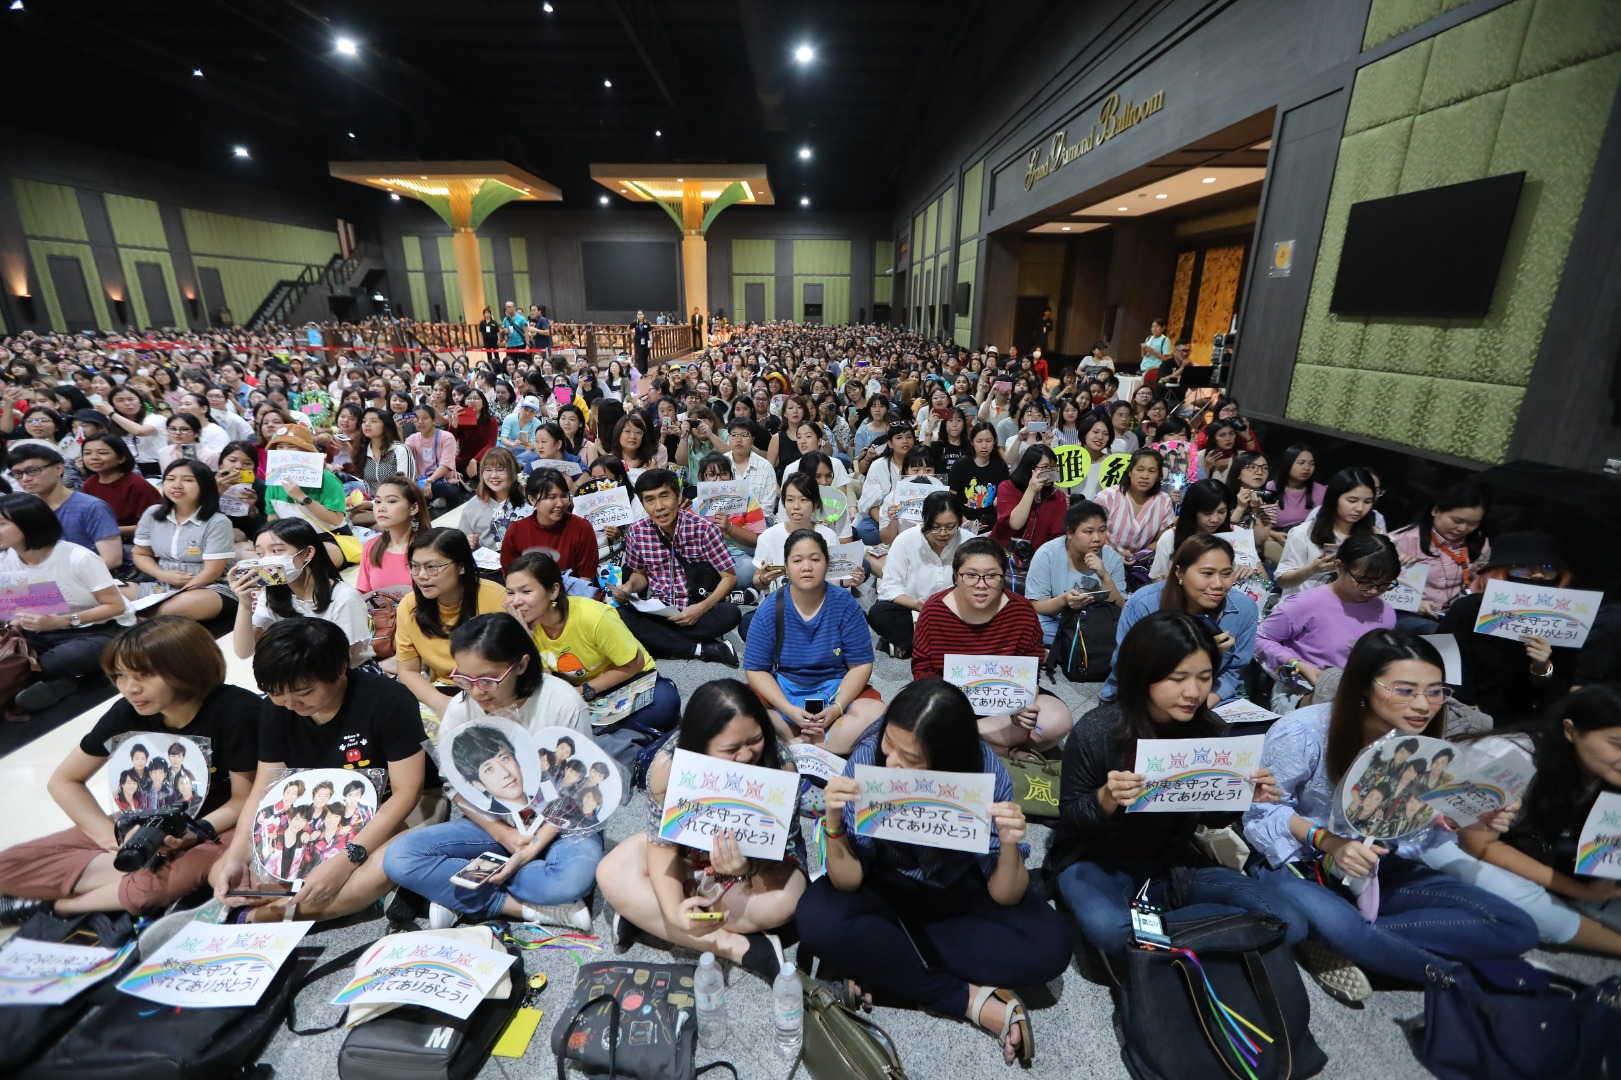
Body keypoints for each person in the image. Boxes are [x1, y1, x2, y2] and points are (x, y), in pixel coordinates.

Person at [1242, 631, 1538, 1001]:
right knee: (1340, 922)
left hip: (1374, 867)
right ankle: (1463, 978)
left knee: (1518, 927)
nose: (1424, 704)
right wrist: (1330, 843)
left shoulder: (1425, 748)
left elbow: (1413, 833)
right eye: (1405, 690)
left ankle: (1351, 940)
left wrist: (1467, 820)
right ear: (1363, 686)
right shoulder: (1304, 730)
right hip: (1294, 861)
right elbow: (1261, 812)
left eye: (1435, 691)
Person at [801, 679, 1071, 1066]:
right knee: (816, 919)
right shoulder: (866, 760)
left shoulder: (985, 771)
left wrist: (1010, 843)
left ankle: (883, 966)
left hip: (957, 892)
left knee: (1052, 946)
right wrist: (832, 821)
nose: (891, 762)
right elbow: (849, 880)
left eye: (909, 759)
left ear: (948, 760)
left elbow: (1005, 894)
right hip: (881, 889)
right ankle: (969, 999)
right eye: (889, 745)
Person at [1048, 612, 1304, 954]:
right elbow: (1071, 819)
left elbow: (1212, 820)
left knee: (1291, 921)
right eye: (1177, 677)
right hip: (1096, 861)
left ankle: (1153, 936)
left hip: (1171, 862)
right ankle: (1209, 930)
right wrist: (1106, 797)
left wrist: (1240, 794)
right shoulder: (1098, 731)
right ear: (1143, 675)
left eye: (1204, 677)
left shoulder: (1209, 730)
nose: (1193, 692)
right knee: (1109, 929)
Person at [0, 618, 257, 920]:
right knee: (7, 865)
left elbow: (243, 800)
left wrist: (192, 833)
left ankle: (56, 906)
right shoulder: (128, 710)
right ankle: (125, 879)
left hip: (221, 825)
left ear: (188, 666)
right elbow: (65, 781)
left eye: (145, 675)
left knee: (155, 888)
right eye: (120, 675)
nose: (130, 688)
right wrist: (114, 839)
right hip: (148, 818)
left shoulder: (238, 710)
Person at [383, 613, 598, 932]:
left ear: (522, 665)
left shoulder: (562, 702)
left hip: (561, 821)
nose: (477, 691)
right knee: (399, 857)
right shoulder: (461, 707)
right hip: (496, 825)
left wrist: (530, 848)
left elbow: (574, 790)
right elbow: (456, 786)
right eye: (464, 679)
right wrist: (504, 835)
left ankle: (458, 892)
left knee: (571, 879)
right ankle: (517, 907)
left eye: (488, 679)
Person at [211, 618, 429, 923]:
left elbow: (407, 792)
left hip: (385, 808)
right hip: (317, 814)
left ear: (340, 667)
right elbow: (264, 789)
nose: (290, 703)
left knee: (388, 865)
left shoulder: (388, 701)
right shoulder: (277, 709)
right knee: (222, 872)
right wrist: (237, 856)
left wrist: (347, 859)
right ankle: (295, 905)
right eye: (276, 693)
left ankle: (258, 916)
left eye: (303, 691)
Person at [595, 679, 805, 977]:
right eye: (731, 748)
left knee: (788, 898)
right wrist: (673, 913)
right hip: (688, 856)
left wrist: (746, 867)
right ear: (700, 744)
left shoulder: (781, 767)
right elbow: (660, 844)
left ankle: (646, 918)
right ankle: (735, 947)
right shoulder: (667, 765)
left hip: (750, 872)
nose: (746, 755)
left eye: (755, 739)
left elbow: (781, 854)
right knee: (610, 872)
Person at [1436, 685, 1621, 955]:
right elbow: (1481, 847)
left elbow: (1603, 851)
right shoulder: (1506, 757)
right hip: (1446, 840)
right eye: (1616, 744)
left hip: (1534, 843)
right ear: (1570, 731)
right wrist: (1583, 892)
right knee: (1529, 904)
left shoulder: (1601, 773)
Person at [503, 553, 679, 772]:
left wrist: (584, 691)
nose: (515, 601)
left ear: (553, 591)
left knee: (664, 704)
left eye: (526, 591)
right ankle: (618, 737)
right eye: (510, 592)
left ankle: (608, 737)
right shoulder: (524, 626)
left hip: (628, 681)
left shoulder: (592, 616)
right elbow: (544, 684)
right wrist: (525, 643)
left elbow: (634, 664)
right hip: (583, 697)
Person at [912, 537, 1073, 750]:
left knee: (1057, 719)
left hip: (1003, 703)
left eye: (991, 576)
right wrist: (948, 705)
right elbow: (922, 669)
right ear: (956, 576)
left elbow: (1030, 670)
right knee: (904, 716)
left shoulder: (1021, 611)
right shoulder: (934, 610)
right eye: (970, 575)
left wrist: (1021, 709)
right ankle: (999, 748)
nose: (981, 585)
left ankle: (964, 740)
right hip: (949, 703)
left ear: (1003, 576)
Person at [744, 529, 884, 753]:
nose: (806, 566)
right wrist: (789, 710)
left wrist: (837, 709)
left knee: (876, 714)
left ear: (827, 565)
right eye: (797, 560)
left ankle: (793, 746)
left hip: (836, 689)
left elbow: (860, 665)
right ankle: (820, 744)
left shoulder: (845, 606)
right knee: (738, 713)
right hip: (785, 690)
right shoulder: (770, 608)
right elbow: (755, 669)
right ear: (787, 568)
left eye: (815, 559)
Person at [1102, 534, 1257, 707]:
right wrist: (1194, 653)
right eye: (1207, 573)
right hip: (1141, 696)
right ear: (1179, 573)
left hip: (1206, 698)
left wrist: (1200, 708)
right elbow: (1126, 668)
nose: (1218, 584)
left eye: (1226, 573)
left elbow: (1233, 671)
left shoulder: (1244, 609)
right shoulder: (1143, 605)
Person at [1438, 532, 1572, 726]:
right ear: (1500, 572)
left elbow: (1562, 685)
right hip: (1464, 717)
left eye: (1548, 568)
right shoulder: (1468, 609)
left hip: (1526, 724)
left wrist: (1542, 669)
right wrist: (1465, 707)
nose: (1537, 575)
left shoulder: (1564, 619)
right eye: (1522, 567)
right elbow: (1443, 659)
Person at [609, 469, 741, 665]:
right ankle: (701, 649)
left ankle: (663, 644)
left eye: (664, 496)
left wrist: (701, 608)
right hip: (660, 612)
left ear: (678, 497)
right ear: (643, 504)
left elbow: (729, 577)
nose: (659, 507)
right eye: (650, 500)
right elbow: (640, 575)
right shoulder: (637, 532)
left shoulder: (704, 529)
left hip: (698, 609)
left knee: (731, 613)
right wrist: (627, 588)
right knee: (619, 615)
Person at [1256, 532, 1400, 705]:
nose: (1373, 591)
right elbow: (1258, 639)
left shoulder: (1385, 612)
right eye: (1364, 582)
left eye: (1384, 584)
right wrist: (1297, 664)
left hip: (1358, 691)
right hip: (1302, 690)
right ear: (1339, 567)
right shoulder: (1306, 603)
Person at [395, 527, 508, 716]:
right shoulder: (409, 606)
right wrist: (442, 704)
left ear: (461, 566)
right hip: (443, 692)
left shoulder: (497, 599)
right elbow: (407, 671)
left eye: (432, 566)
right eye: (415, 566)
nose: (421, 575)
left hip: (494, 690)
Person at [230, 518, 373, 665]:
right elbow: (244, 651)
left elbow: (341, 663)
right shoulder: (271, 595)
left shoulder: (344, 598)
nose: (267, 561)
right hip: (299, 673)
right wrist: (245, 604)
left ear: (307, 553)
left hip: (344, 675)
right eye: (260, 553)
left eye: (277, 551)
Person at [131, 459, 237, 622]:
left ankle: (141, 616)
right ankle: (146, 615)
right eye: (171, 479)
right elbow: (140, 554)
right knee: (113, 591)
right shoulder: (153, 513)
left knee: (180, 606)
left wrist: (178, 592)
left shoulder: (217, 521)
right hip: (164, 582)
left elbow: (212, 572)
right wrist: (163, 575)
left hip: (209, 586)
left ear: (205, 486)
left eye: (187, 480)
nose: (177, 485)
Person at [1388, 481, 1490, 633]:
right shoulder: (1404, 539)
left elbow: (1476, 587)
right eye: (1457, 521)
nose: (1463, 529)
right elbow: (1381, 587)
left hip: (1450, 615)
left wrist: (1478, 576)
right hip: (1405, 613)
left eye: (1473, 524)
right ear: (1435, 510)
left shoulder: (1479, 543)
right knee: (1438, 633)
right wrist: (1416, 603)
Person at [1025, 499, 1126, 645]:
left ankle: (1075, 644)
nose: (1097, 538)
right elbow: (1035, 604)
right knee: (1034, 623)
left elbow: (1122, 607)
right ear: (1070, 533)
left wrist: (1105, 577)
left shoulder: (1112, 558)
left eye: (1102, 530)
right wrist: (1064, 600)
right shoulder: (1047, 554)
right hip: (1057, 623)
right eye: (1088, 532)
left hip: (1098, 623)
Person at [5, 443, 122, 570]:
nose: (25, 478)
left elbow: (112, 559)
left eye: (33, 471)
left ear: (58, 468)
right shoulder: (24, 510)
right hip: (40, 578)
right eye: (17, 473)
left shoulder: (92, 507)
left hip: (89, 578)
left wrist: (63, 578)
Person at [1275, 466, 1380, 595]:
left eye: (1368, 502)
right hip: (1303, 607)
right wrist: (1313, 569)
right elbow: (1282, 581)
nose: (1360, 508)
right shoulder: (1302, 533)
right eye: (1352, 500)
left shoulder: (1375, 538)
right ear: (1334, 498)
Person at [498, 468, 597, 585]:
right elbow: (509, 575)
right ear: (532, 500)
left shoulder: (581, 528)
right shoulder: (516, 531)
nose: (560, 503)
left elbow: (586, 579)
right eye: (551, 497)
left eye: (564, 495)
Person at [1146, 478, 1254, 582]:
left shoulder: (1239, 535)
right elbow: (1157, 580)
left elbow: (1263, 581)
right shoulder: (1170, 538)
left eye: (1222, 512)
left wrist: (1251, 572)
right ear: (1192, 511)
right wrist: (1175, 578)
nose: (1215, 519)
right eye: (1207, 513)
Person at [752, 474, 841, 593]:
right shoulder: (768, 536)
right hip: (781, 602)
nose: (796, 506)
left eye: (803, 500)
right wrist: (764, 579)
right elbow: (757, 581)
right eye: (790, 500)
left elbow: (836, 579)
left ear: (815, 504)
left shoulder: (829, 536)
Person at [695, 452, 764, 594]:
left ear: (731, 477)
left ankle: (715, 592)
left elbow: (757, 540)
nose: (719, 480)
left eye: (724, 474)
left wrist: (729, 527)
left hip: (739, 556)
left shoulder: (748, 498)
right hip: (709, 559)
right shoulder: (696, 505)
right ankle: (728, 594)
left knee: (749, 570)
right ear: (702, 478)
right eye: (712, 475)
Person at [354, 477, 433, 594]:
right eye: (377, 501)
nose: (381, 508)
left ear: (414, 508)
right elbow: (363, 593)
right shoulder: (371, 547)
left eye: (391, 501)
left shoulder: (432, 547)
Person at [78, 433, 160, 543]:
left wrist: (108, 531)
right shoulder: (90, 483)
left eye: (102, 453)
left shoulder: (136, 484)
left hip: (135, 542)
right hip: (100, 539)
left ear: (121, 458)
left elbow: (154, 524)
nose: (94, 457)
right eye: (87, 453)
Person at [991, 444, 1066, 556]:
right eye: (1045, 467)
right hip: (1001, 553)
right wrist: (1031, 490)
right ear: (1030, 468)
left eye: (1053, 467)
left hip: (1037, 557)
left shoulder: (1058, 497)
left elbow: (1057, 537)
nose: (1050, 472)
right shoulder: (1007, 487)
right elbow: (1015, 524)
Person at [458, 446, 530, 554]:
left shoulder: (529, 501)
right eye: (488, 470)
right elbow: (460, 541)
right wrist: (473, 545)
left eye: (500, 470)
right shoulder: (473, 505)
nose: (494, 475)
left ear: (513, 471)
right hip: (489, 568)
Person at [946, 421, 1009, 534]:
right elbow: (951, 499)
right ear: (972, 442)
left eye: (988, 441)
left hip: (992, 525)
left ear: (994, 441)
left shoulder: (1000, 466)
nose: (984, 446)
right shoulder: (960, 465)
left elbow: (1004, 498)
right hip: (963, 523)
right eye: (979, 441)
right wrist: (965, 522)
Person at [404, 403, 465, 509]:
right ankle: (432, 500)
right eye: (417, 419)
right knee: (406, 487)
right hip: (420, 482)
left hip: (444, 482)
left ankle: (421, 501)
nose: (420, 422)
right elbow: (403, 454)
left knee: (443, 488)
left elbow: (445, 465)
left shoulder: (446, 436)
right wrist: (398, 428)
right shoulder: (412, 438)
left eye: (425, 418)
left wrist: (430, 481)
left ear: (433, 420)